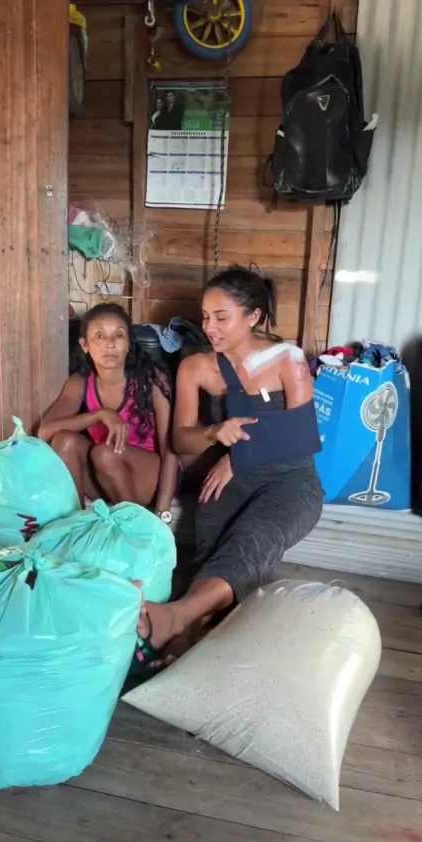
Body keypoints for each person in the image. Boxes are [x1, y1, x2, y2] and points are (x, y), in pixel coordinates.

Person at [136, 266, 324, 664]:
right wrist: (212, 432)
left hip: (291, 480)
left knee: (249, 543)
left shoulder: (287, 360)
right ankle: (190, 638)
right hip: (227, 480)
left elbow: (303, 435)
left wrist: (239, 458)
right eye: (206, 317)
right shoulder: (196, 368)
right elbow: (180, 440)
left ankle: (176, 618)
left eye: (222, 317)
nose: (210, 327)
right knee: (212, 548)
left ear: (253, 316)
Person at [39, 303, 179, 518]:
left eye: (119, 336)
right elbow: (45, 432)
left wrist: (163, 510)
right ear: (85, 345)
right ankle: (77, 521)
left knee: (105, 453)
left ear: (129, 344)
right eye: (100, 336)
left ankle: (135, 523)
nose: (110, 344)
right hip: (104, 475)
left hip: (150, 478)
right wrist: (100, 414)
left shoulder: (152, 379)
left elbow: (170, 448)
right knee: (65, 440)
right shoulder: (81, 382)